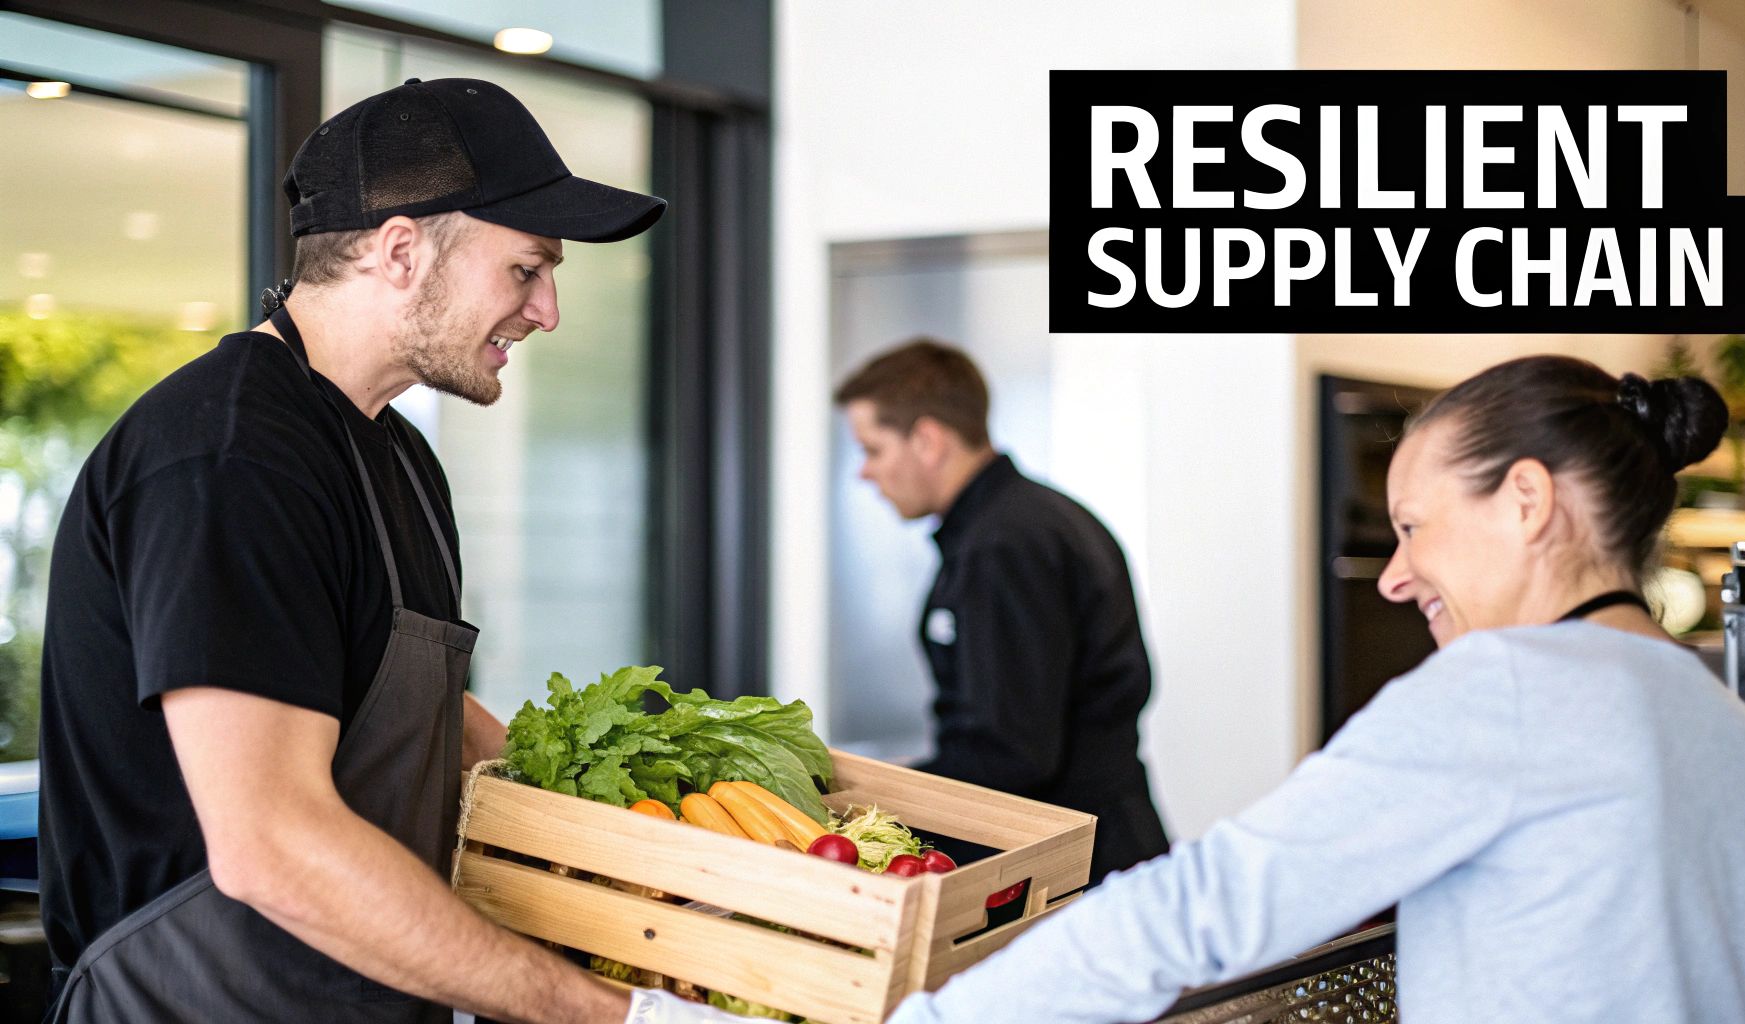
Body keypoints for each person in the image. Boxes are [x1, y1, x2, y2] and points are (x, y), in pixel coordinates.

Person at [34, 77, 708, 1023]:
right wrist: (612, 1015)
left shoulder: (396, 452)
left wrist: (655, 848)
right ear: (400, 250)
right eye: (526, 269)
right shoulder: (227, 456)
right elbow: (271, 840)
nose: (547, 310)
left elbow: (405, 708)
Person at [886, 355, 1745, 1023]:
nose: (1394, 575)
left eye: (1415, 527)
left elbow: (1202, 910)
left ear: (1528, 502)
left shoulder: (1502, 690)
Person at [834, 339, 1169, 885]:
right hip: (1101, 845)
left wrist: (862, 801)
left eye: (872, 449)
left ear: (927, 440)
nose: (865, 474)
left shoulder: (1004, 545)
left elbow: (1010, 754)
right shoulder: (1028, 519)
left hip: (1075, 871)